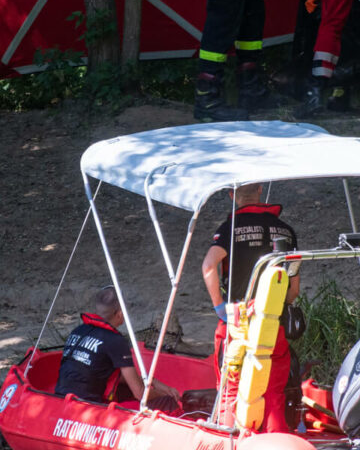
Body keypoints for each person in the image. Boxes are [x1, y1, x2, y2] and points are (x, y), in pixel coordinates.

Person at [200, 184, 301, 433]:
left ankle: (227, 436)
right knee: (273, 386)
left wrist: (219, 307)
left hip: (238, 321)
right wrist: (279, 305)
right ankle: (275, 437)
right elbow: (294, 288)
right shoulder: (286, 231)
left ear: (232, 195)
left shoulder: (229, 229)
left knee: (230, 384)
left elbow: (209, 266)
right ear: (259, 191)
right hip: (273, 322)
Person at [54, 286, 181, 414]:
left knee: (125, 388)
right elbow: (140, 393)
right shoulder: (115, 340)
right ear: (120, 314)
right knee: (167, 402)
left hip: (60, 399)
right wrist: (164, 395)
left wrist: (152, 381)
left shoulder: (78, 331)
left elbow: (99, 371)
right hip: (89, 407)